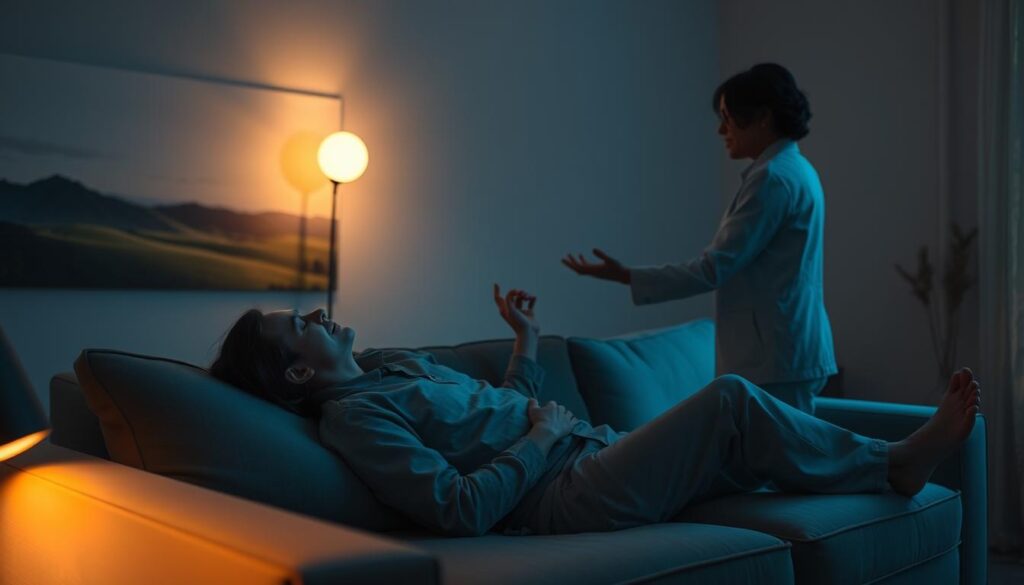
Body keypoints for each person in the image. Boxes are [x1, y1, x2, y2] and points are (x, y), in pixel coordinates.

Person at [210, 285, 981, 538]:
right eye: (301, 323)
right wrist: (542, 437)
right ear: (299, 369)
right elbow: (456, 506)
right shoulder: (352, 419)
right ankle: (895, 463)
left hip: (591, 447)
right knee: (730, 401)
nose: (319, 313)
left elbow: (496, 408)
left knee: (753, 450)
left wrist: (526, 343)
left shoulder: (392, 365)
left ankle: (880, 468)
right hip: (562, 493)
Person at [563, 63, 834, 414]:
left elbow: (713, 269)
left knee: (778, 448)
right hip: (787, 350)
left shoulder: (773, 179)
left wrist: (626, 276)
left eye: (727, 117)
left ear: (762, 117)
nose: (721, 130)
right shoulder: (796, 170)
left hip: (775, 357)